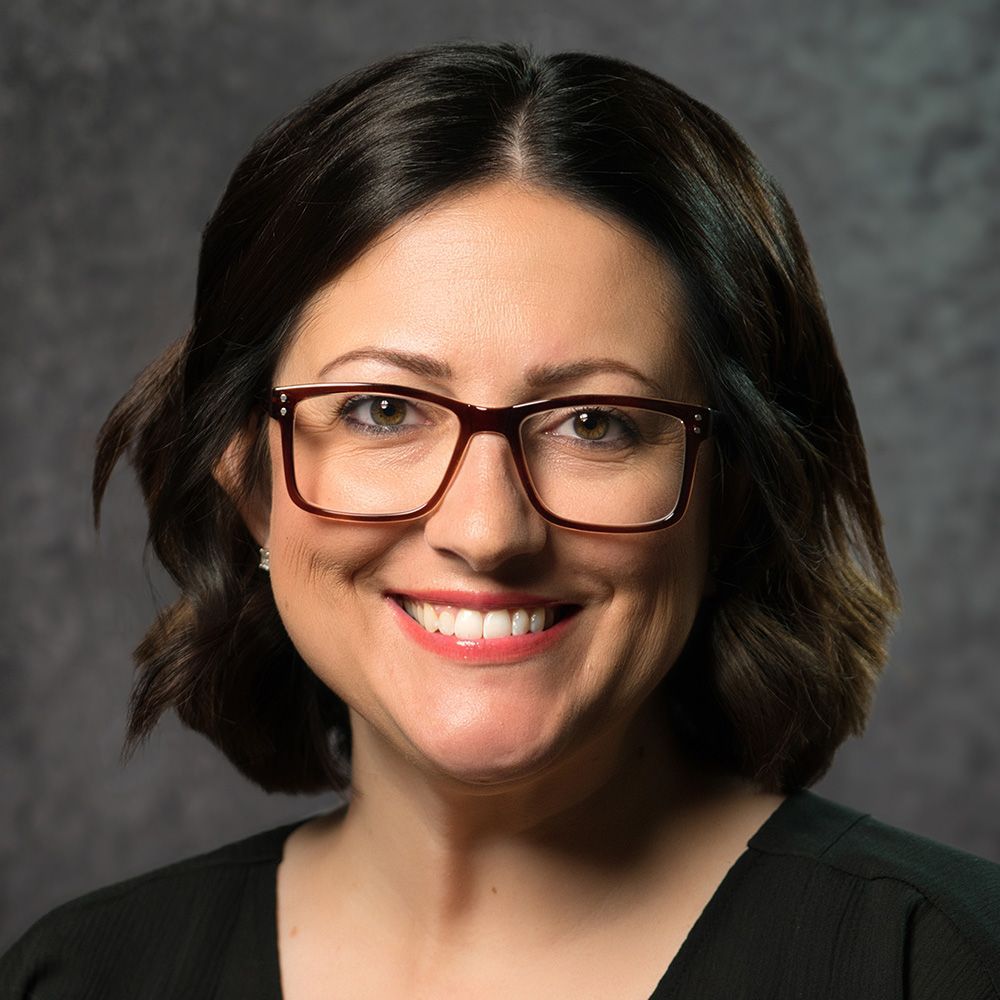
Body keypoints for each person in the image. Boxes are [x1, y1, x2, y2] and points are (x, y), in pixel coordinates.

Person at [2, 40, 998, 1000]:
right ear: (245, 473)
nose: (487, 531)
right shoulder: (85, 975)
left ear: (727, 487)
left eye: (595, 423)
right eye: (381, 409)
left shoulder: (936, 963)